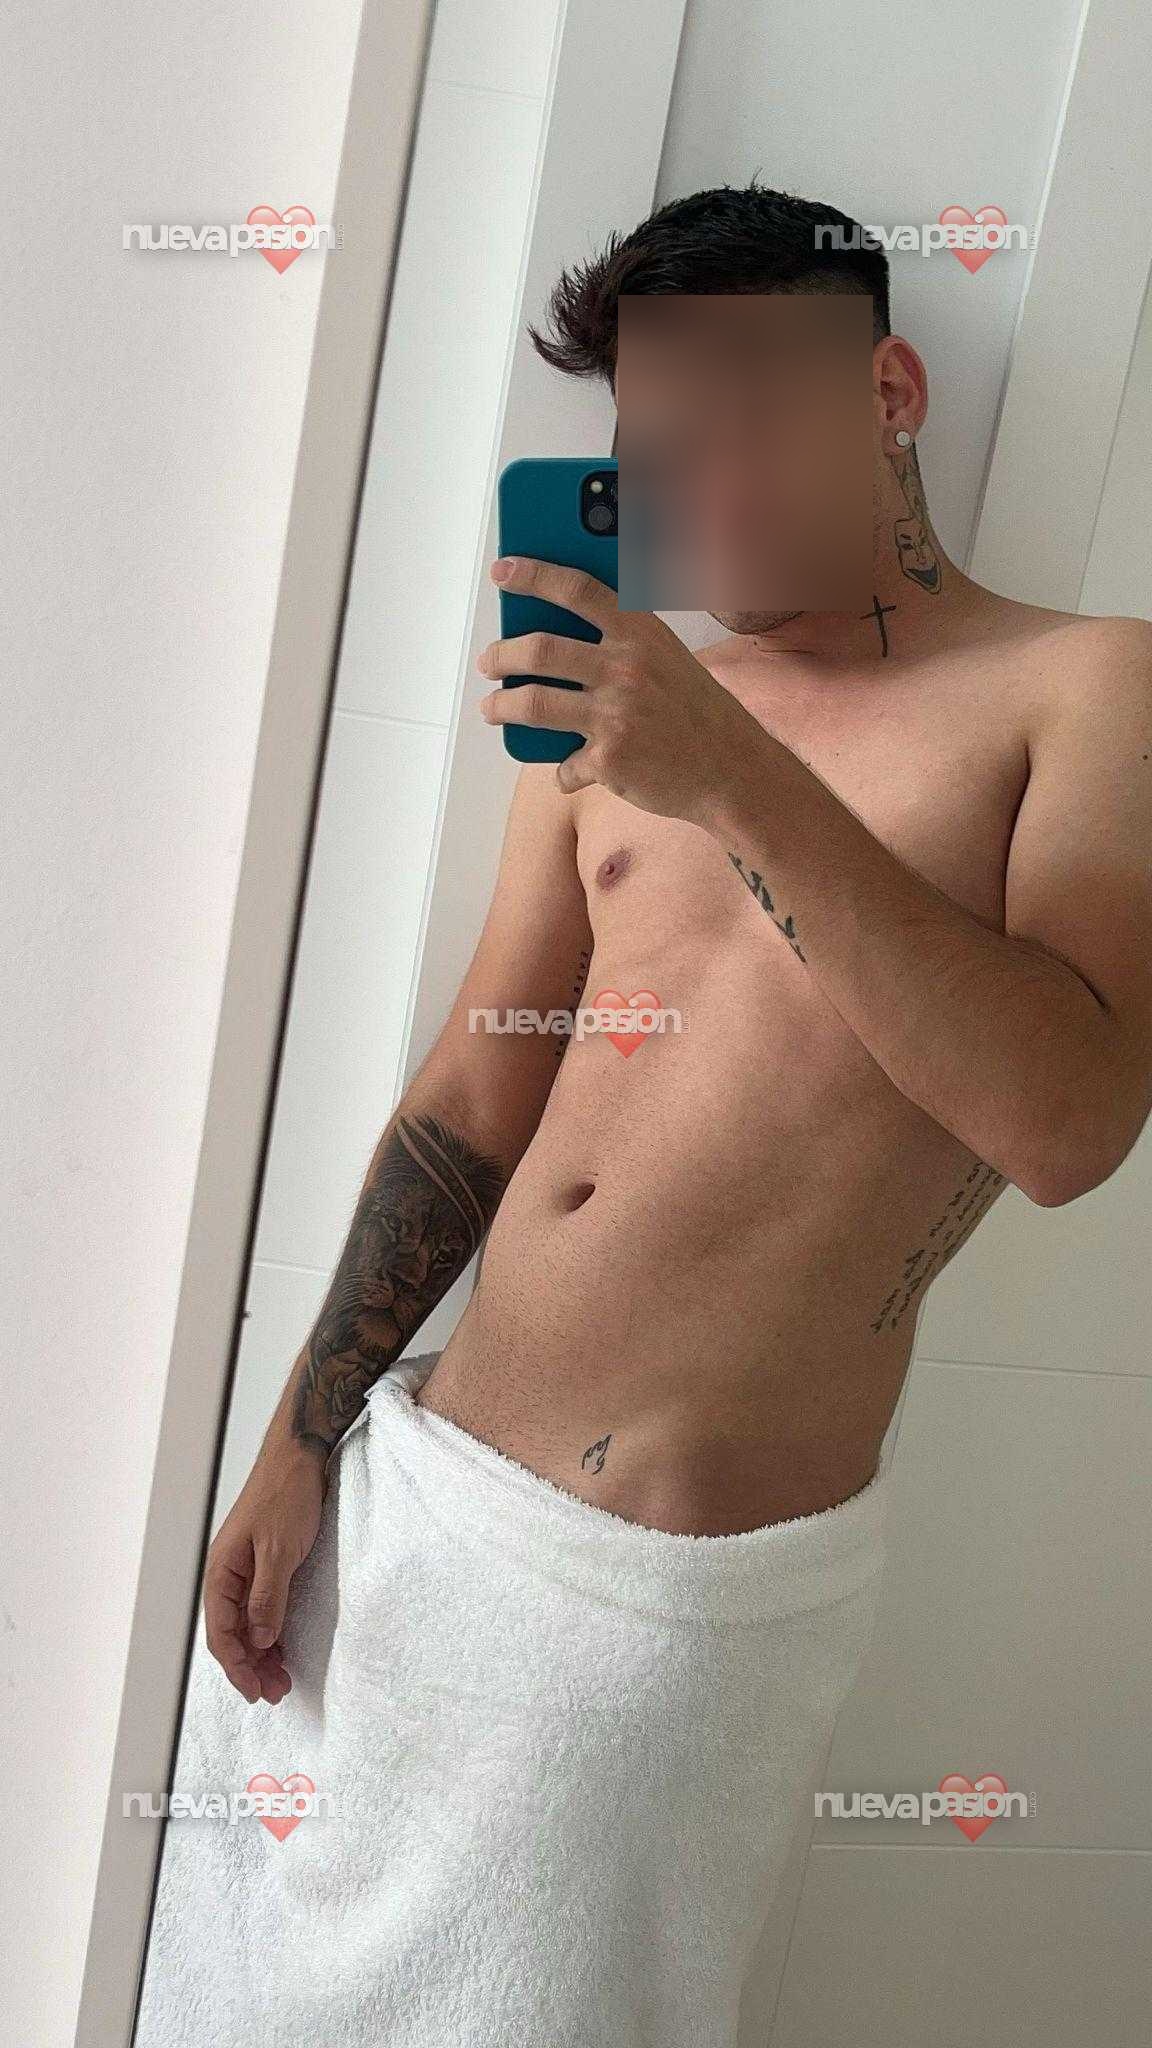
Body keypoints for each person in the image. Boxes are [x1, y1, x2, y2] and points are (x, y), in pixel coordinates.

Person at [148, 181, 1152, 2046]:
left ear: (890, 394)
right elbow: (478, 1089)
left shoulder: (1082, 689)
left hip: (655, 1593)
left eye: (747, 415)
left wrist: (732, 776)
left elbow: (1066, 1123)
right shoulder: (611, 718)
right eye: (663, 443)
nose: (705, 484)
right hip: (420, 1505)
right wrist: (303, 1436)